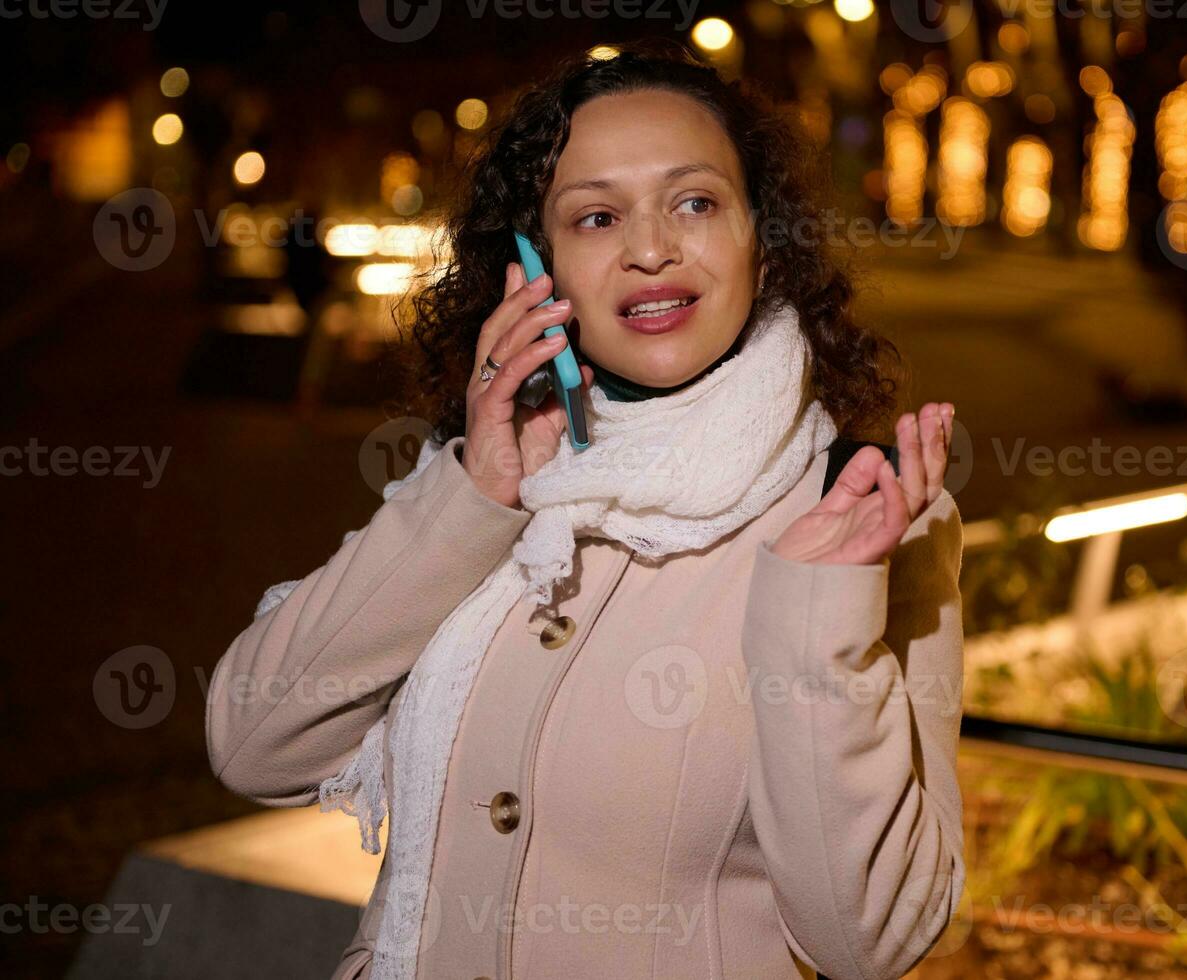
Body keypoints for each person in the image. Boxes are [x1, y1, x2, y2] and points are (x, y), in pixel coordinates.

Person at [205, 42, 965, 980]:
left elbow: (866, 945)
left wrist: (816, 619)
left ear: (761, 242)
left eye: (695, 202)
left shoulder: (869, 515)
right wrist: (470, 498)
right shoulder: (495, 478)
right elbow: (253, 743)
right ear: (538, 269)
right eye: (597, 217)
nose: (650, 250)